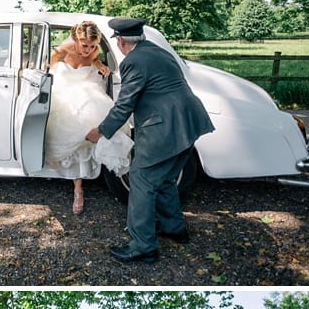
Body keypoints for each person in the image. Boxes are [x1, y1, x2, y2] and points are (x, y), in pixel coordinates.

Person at [84, 17, 214, 264]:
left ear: (121, 42)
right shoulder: (158, 52)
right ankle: (175, 229)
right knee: (165, 179)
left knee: (141, 180)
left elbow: (125, 104)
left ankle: (143, 246)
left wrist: (101, 131)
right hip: (189, 122)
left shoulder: (133, 61)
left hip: (166, 127)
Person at [45, 21, 132, 215]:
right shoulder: (62, 51)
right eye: (85, 45)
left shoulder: (93, 52)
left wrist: (101, 66)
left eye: (93, 46)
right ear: (76, 39)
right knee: (73, 129)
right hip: (64, 96)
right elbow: (46, 70)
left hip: (88, 94)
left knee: (91, 127)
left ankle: (120, 172)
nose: (88, 50)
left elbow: (95, 61)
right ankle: (78, 190)